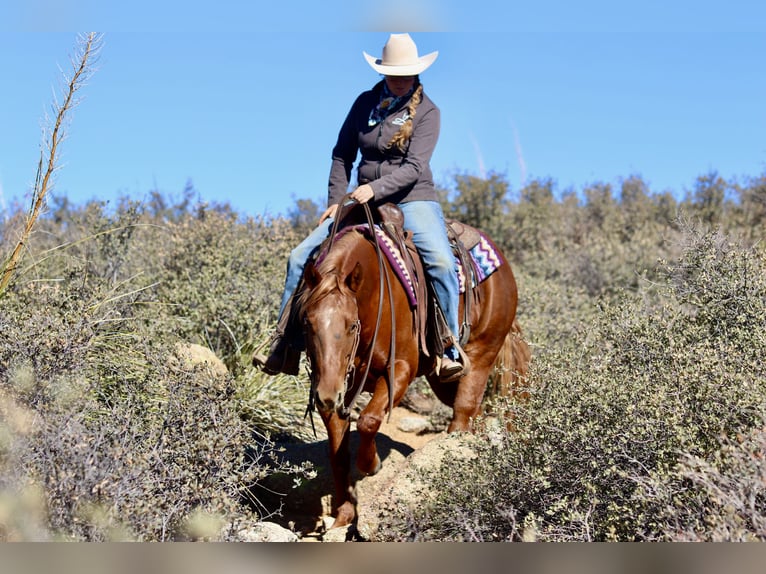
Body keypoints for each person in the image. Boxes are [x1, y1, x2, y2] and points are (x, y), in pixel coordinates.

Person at [254, 33, 469, 382]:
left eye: (406, 74)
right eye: (393, 74)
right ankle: (284, 343)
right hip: (359, 198)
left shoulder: (428, 112)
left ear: (417, 73)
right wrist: (336, 202)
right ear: (383, 72)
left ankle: (448, 346)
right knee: (299, 257)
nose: (399, 80)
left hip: (412, 197)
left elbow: (414, 167)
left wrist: (374, 188)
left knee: (442, 263)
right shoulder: (364, 103)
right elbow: (342, 154)